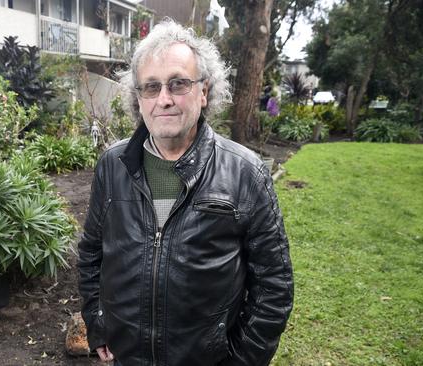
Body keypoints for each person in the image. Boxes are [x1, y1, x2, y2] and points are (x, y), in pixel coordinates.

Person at [78, 19, 293, 366]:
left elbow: (274, 287)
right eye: (151, 87)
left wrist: (241, 360)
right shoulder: (112, 165)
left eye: (178, 84)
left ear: (204, 91)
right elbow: (91, 253)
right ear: (139, 98)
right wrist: (98, 322)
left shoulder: (245, 173)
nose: (164, 99)